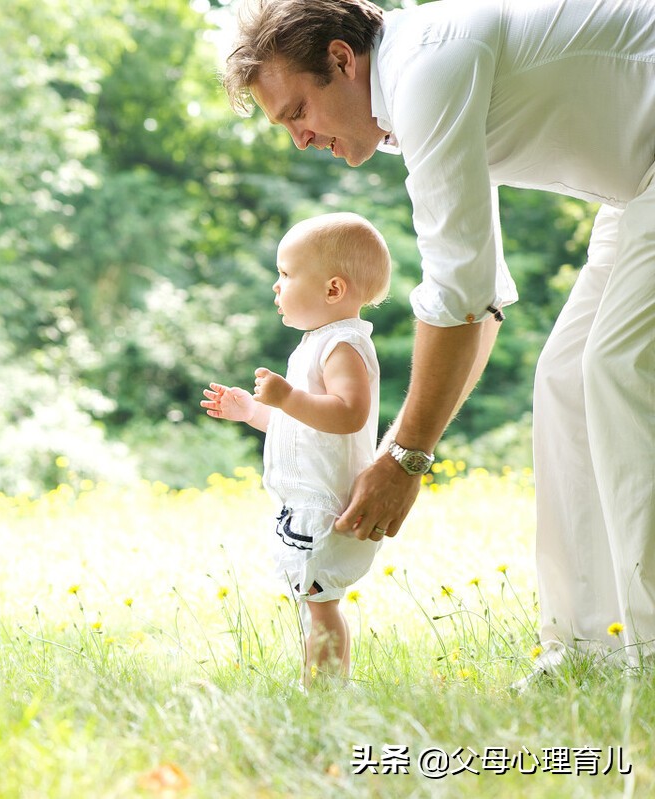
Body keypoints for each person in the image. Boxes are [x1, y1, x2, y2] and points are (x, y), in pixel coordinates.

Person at [222, 0, 655, 681]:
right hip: (637, 188)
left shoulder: (427, 69)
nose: (299, 138)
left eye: (298, 111)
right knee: (565, 379)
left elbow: (458, 293)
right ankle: (588, 648)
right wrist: (409, 453)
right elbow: (481, 304)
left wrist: (406, 457)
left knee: (617, 367)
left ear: (341, 60)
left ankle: (651, 650)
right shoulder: (412, 91)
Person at [201, 212, 391, 687]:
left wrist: (287, 397)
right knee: (312, 600)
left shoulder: (343, 346)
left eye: (286, 275)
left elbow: (349, 413)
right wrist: (253, 412)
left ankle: (324, 690)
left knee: (320, 601)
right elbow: (302, 427)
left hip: (325, 505)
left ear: (332, 290)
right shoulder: (315, 344)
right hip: (301, 503)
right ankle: (319, 683)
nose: (276, 286)